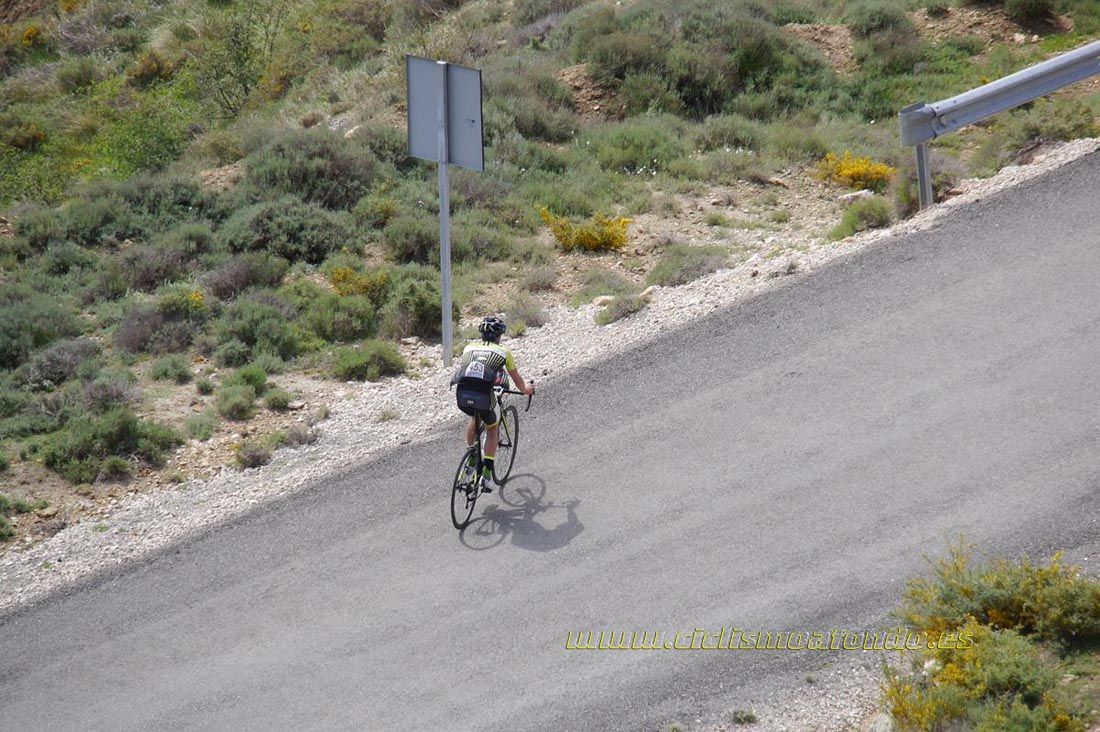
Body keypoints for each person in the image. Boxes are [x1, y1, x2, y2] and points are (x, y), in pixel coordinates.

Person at [452, 316, 535, 493]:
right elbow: (517, 380)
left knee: (475, 417)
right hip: (484, 396)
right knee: (492, 428)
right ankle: (487, 476)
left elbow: (476, 371)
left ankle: (472, 455)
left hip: (462, 395)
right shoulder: (504, 352)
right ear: (499, 336)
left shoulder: (468, 347)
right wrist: (526, 389)